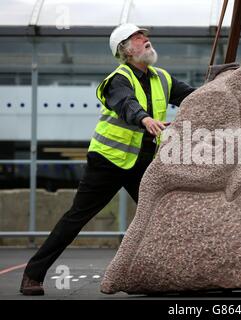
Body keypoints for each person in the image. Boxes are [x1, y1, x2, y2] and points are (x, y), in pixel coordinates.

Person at [20, 23, 196, 295]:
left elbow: (193, 97)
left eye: (145, 36)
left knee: (165, 216)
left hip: (141, 163)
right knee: (76, 218)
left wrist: (218, 92)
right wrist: (144, 118)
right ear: (125, 50)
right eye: (138, 37)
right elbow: (126, 104)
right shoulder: (118, 79)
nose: (145, 39)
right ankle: (32, 275)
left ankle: (184, 274)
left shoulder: (162, 78)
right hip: (108, 161)